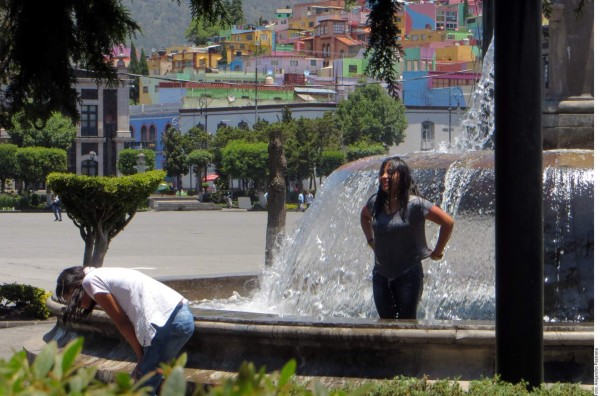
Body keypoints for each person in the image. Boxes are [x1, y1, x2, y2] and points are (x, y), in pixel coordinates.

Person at [55, 266, 194, 394]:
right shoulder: (101, 274)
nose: (78, 305)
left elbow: (122, 323)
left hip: (169, 322)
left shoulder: (90, 281)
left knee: (143, 385)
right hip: (178, 317)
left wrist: (140, 357)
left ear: (75, 287)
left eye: (74, 300)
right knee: (147, 379)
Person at [360, 156, 454, 319]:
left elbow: (448, 222)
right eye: (382, 172)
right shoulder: (376, 203)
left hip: (408, 275)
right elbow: (364, 216)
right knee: (385, 322)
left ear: (402, 176)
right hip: (381, 275)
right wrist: (370, 240)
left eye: (389, 172)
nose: (383, 176)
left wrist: (437, 252)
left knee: (407, 323)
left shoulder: (416, 204)